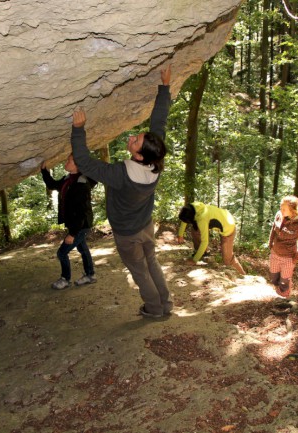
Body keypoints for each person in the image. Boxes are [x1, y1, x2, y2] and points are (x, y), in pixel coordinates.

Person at [70, 65, 173, 318]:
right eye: (138, 135)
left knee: (140, 271)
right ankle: (166, 305)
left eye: (135, 141)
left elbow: (84, 162)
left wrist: (78, 129)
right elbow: (159, 122)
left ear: (138, 154)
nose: (131, 137)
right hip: (145, 227)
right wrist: (164, 87)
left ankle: (154, 309)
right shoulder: (155, 161)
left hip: (128, 233)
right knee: (151, 264)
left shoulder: (120, 175)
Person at [41, 154, 97, 290]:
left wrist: (72, 234)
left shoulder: (81, 184)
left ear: (77, 166)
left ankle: (65, 279)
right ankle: (90, 275)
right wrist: (44, 171)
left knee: (62, 253)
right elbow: (53, 184)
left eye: (69, 160)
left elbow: (81, 212)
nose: (66, 162)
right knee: (83, 248)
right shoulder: (69, 179)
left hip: (81, 226)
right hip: (77, 225)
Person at [177, 202, 245, 275]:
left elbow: (205, 241)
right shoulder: (193, 207)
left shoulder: (202, 218)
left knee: (228, 260)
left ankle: (243, 276)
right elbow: (185, 218)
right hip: (224, 216)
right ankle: (203, 252)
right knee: (195, 229)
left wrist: (194, 260)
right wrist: (180, 235)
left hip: (229, 227)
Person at [268, 195, 298, 297]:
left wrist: (295, 259)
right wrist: (270, 243)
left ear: (292, 210)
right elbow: (273, 229)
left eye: (284, 209)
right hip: (275, 254)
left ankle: (284, 299)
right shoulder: (279, 215)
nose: (281, 210)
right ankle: (277, 294)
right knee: (273, 278)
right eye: (281, 207)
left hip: (288, 258)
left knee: (284, 282)